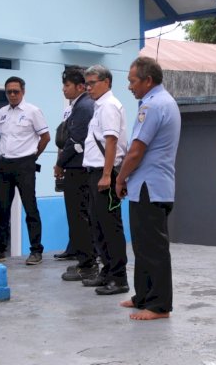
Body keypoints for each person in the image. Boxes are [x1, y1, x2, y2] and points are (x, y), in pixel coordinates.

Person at [116, 56, 181, 320]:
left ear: (148, 80)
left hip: (149, 186)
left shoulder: (153, 106)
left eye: (132, 81)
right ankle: (142, 295)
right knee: (142, 246)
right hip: (149, 185)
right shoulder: (161, 102)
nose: (130, 86)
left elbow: (136, 151)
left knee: (152, 247)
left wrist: (120, 179)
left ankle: (159, 305)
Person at [0, 76, 50, 265]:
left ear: (23, 92)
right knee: (1, 208)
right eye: (9, 92)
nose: (12, 95)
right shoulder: (2, 112)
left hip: (25, 164)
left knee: (30, 208)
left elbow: (45, 137)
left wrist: (33, 156)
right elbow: (2, 138)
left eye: (16, 91)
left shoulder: (33, 111)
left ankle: (36, 250)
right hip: (5, 163)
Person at [81, 65, 129, 295]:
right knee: (98, 224)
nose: (88, 87)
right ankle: (107, 270)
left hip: (104, 174)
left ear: (107, 82)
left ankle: (119, 278)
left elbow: (111, 142)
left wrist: (107, 175)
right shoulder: (99, 106)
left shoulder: (109, 106)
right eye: (86, 83)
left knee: (110, 226)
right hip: (96, 173)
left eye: (92, 83)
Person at [54, 67, 99, 281]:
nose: (63, 89)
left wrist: (60, 163)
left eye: (67, 85)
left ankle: (87, 264)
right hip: (78, 167)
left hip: (77, 169)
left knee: (79, 217)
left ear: (80, 86)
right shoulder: (79, 105)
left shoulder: (83, 106)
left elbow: (76, 140)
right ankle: (85, 259)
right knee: (81, 216)